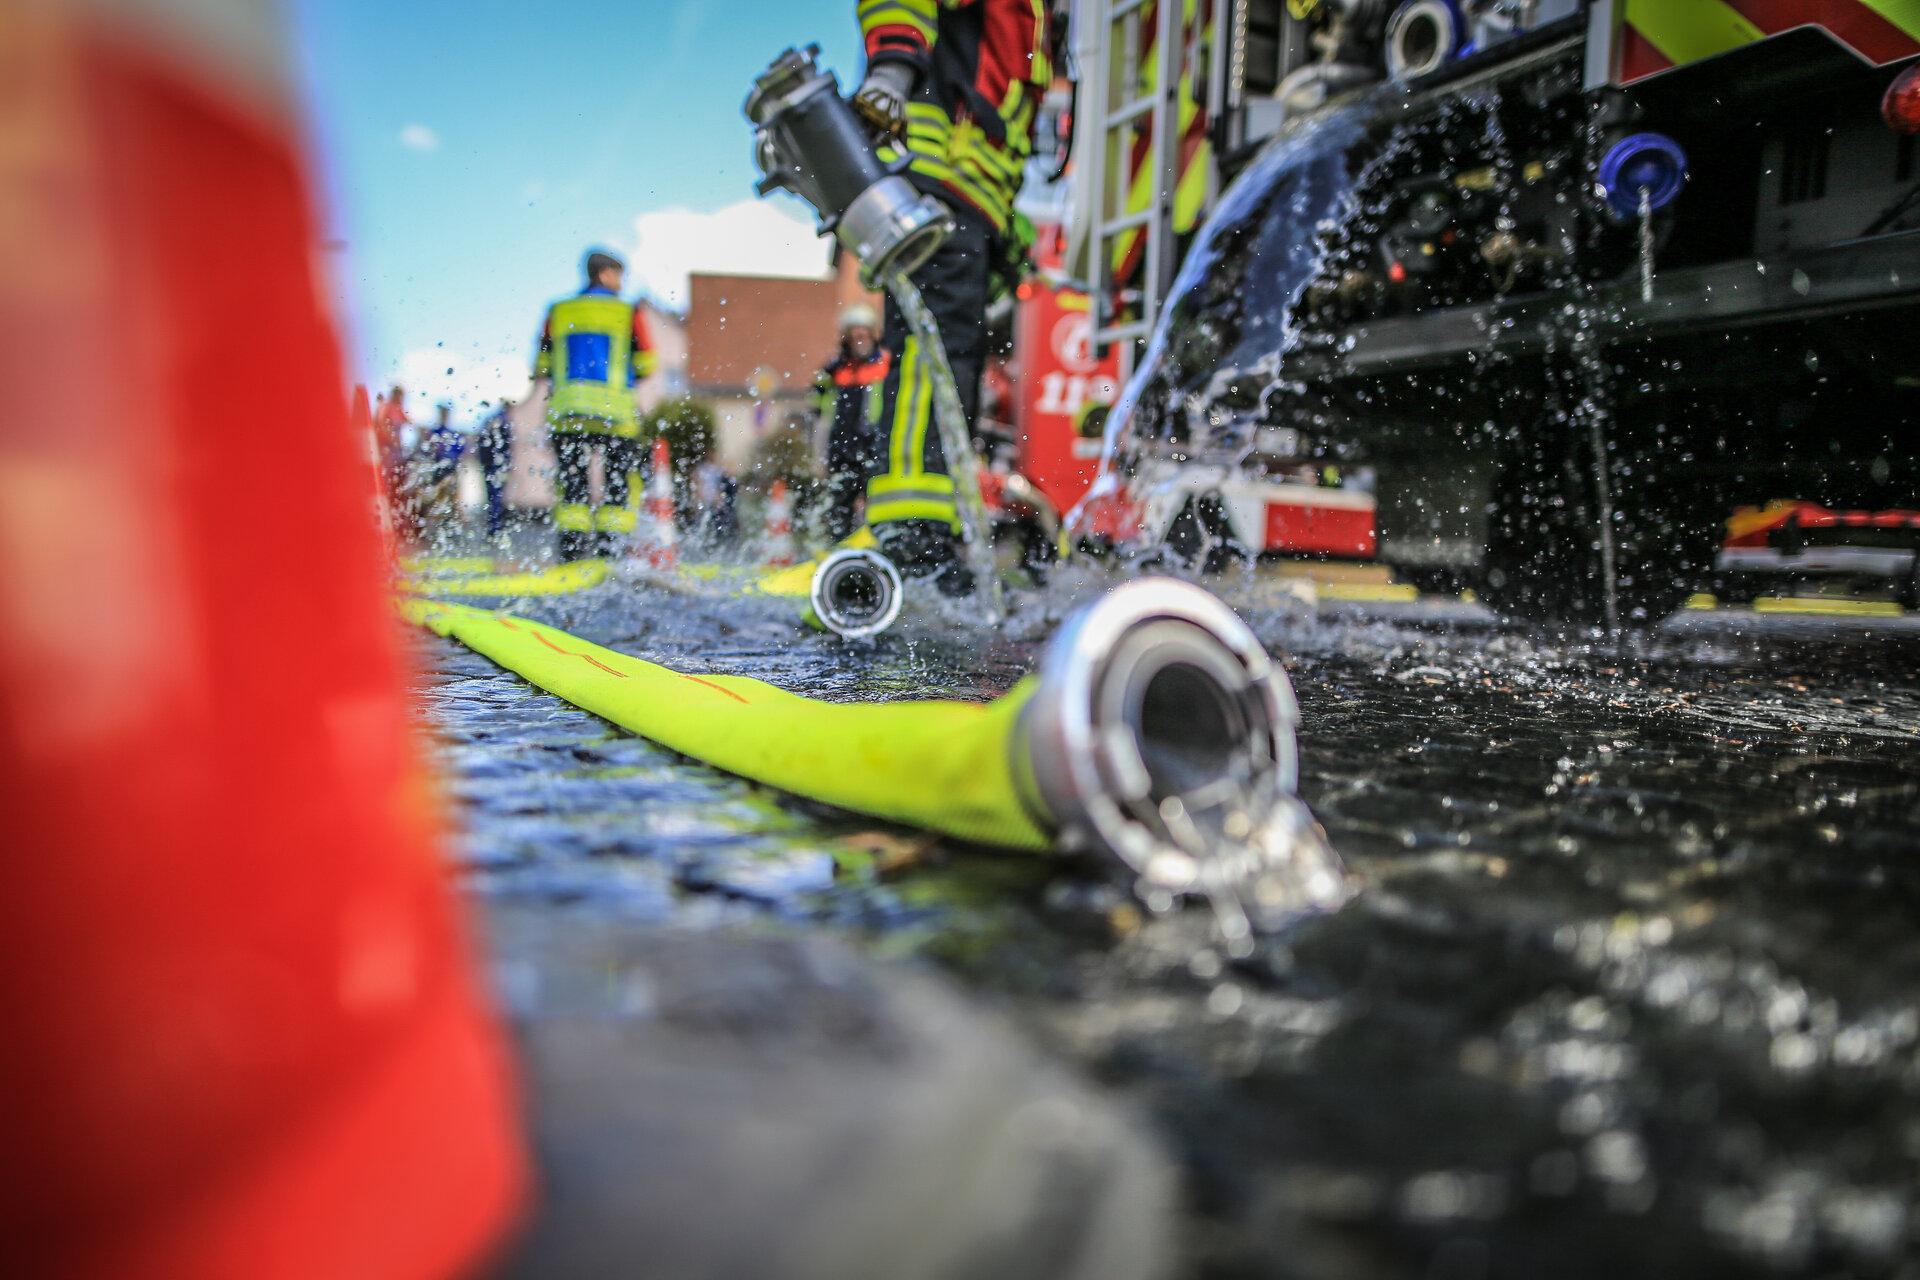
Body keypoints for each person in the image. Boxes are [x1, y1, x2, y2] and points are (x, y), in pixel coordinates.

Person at [851, 0, 1049, 594]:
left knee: (950, 361)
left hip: (969, 198)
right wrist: (891, 70)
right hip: (937, 183)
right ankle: (912, 539)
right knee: (928, 358)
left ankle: (929, 532)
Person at [533, 248, 657, 560]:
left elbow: (542, 365)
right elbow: (647, 364)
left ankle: (572, 555)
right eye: (619, 275)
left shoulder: (559, 311)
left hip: (567, 414)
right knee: (618, 486)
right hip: (615, 416)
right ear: (604, 274)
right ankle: (609, 554)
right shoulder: (628, 312)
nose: (622, 283)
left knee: (572, 487)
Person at [812, 302, 890, 543]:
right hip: (841, 450)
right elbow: (817, 409)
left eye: (863, 333)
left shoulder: (885, 364)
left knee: (877, 505)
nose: (859, 339)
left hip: (874, 447)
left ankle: (878, 546)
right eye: (854, 334)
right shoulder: (834, 370)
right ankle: (838, 550)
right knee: (839, 508)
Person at [477, 398, 515, 538]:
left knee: (492, 495)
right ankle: (496, 527)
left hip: (489, 464)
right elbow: (505, 448)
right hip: (496, 466)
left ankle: (495, 526)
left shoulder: (491, 419)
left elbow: (482, 443)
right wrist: (506, 465)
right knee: (496, 496)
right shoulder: (502, 421)